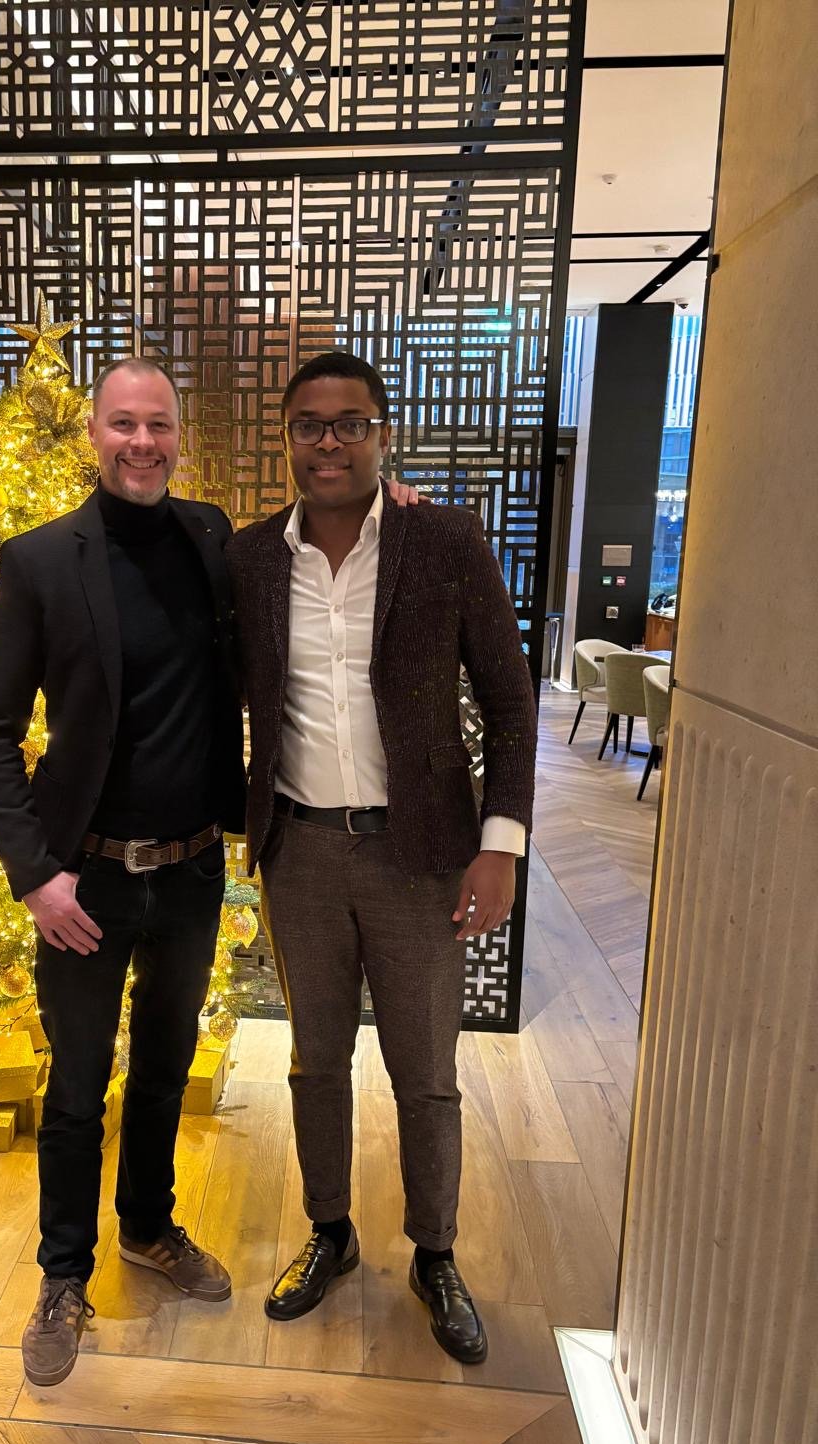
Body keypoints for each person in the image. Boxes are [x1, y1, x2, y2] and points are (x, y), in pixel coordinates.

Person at [225, 350, 537, 1363]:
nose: (330, 440)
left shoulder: (442, 539)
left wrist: (500, 845)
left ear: (382, 431)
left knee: (426, 1072)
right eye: (311, 423)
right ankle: (329, 1234)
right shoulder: (248, 558)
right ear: (287, 438)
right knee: (316, 1062)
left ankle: (435, 1251)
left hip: (421, 856)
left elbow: (510, 698)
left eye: (350, 422)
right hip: (300, 852)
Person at [0, 358, 245, 1387]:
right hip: (79, 883)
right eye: (123, 425)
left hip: (189, 875)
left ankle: (148, 1229)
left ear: (180, 433)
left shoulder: (214, 539)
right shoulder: (41, 561)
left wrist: (388, 502)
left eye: (159, 425)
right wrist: (33, 873)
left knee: (165, 1071)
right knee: (79, 1089)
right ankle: (62, 1276)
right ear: (94, 436)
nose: (142, 443)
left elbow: (305, 553)